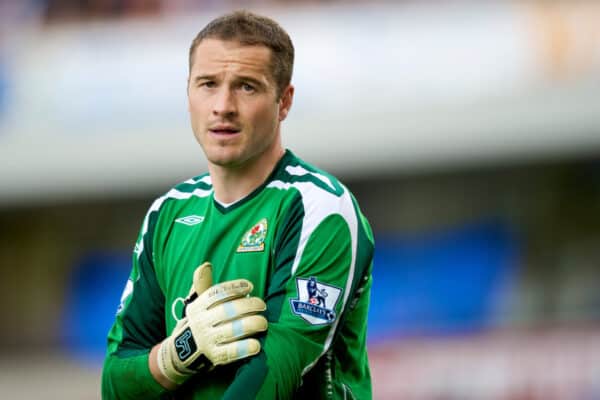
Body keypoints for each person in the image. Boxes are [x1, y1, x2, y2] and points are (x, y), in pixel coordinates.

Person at [101, 10, 374, 399]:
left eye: (246, 87)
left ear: (284, 102)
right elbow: (115, 383)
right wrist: (180, 353)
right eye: (208, 84)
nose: (223, 105)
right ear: (189, 93)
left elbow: (278, 370)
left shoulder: (320, 209)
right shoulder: (168, 213)